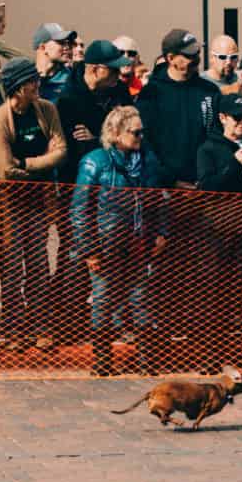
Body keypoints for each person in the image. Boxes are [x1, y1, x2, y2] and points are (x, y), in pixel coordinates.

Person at [69, 105, 169, 377]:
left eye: (141, 131)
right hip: (106, 245)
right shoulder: (95, 162)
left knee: (142, 300)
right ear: (114, 132)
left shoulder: (148, 161)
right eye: (133, 131)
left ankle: (147, 361)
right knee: (103, 300)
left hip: (140, 243)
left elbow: (159, 199)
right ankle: (102, 361)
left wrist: (161, 232)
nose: (139, 136)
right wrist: (89, 249)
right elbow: (80, 208)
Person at [0, 56, 69, 347]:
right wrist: (39, 163)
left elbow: (61, 151)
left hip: (39, 200)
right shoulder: (0, 119)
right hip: (10, 203)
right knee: (11, 265)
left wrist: (25, 162)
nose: (37, 84)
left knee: (37, 263)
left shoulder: (47, 110)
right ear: (17, 86)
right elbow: (5, 170)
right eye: (31, 81)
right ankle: (13, 329)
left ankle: (40, 325)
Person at [137, 29, 220, 188]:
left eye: (197, 52)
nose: (196, 58)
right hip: (166, 188)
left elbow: (217, 136)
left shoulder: (210, 91)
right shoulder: (151, 93)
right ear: (171, 58)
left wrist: (209, 176)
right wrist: (169, 180)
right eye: (189, 55)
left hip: (203, 185)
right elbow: (145, 143)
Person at [58, 40, 133, 181]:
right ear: (94, 70)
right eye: (113, 69)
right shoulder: (68, 100)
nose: (119, 73)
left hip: (118, 176)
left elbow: (131, 133)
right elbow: (75, 148)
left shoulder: (120, 91)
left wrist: (96, 139)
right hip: (82, 181)